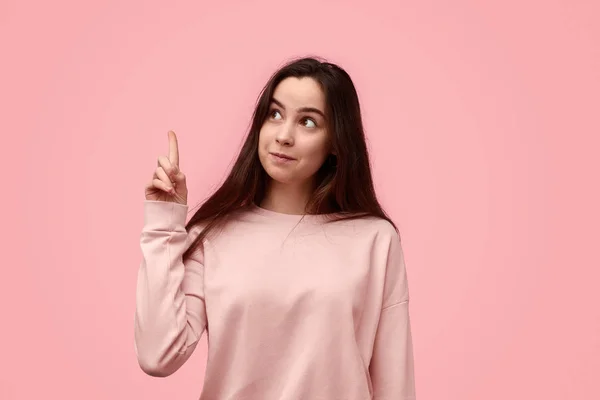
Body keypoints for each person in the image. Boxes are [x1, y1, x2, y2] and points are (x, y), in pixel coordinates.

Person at [134, 56, 416, 400]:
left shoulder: (375, 240)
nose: (283, 136)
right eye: (275, 114)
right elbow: (157, 355)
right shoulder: (213, 235)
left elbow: (394, 386)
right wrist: (164, 222)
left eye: (308, 122)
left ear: (337, 145)